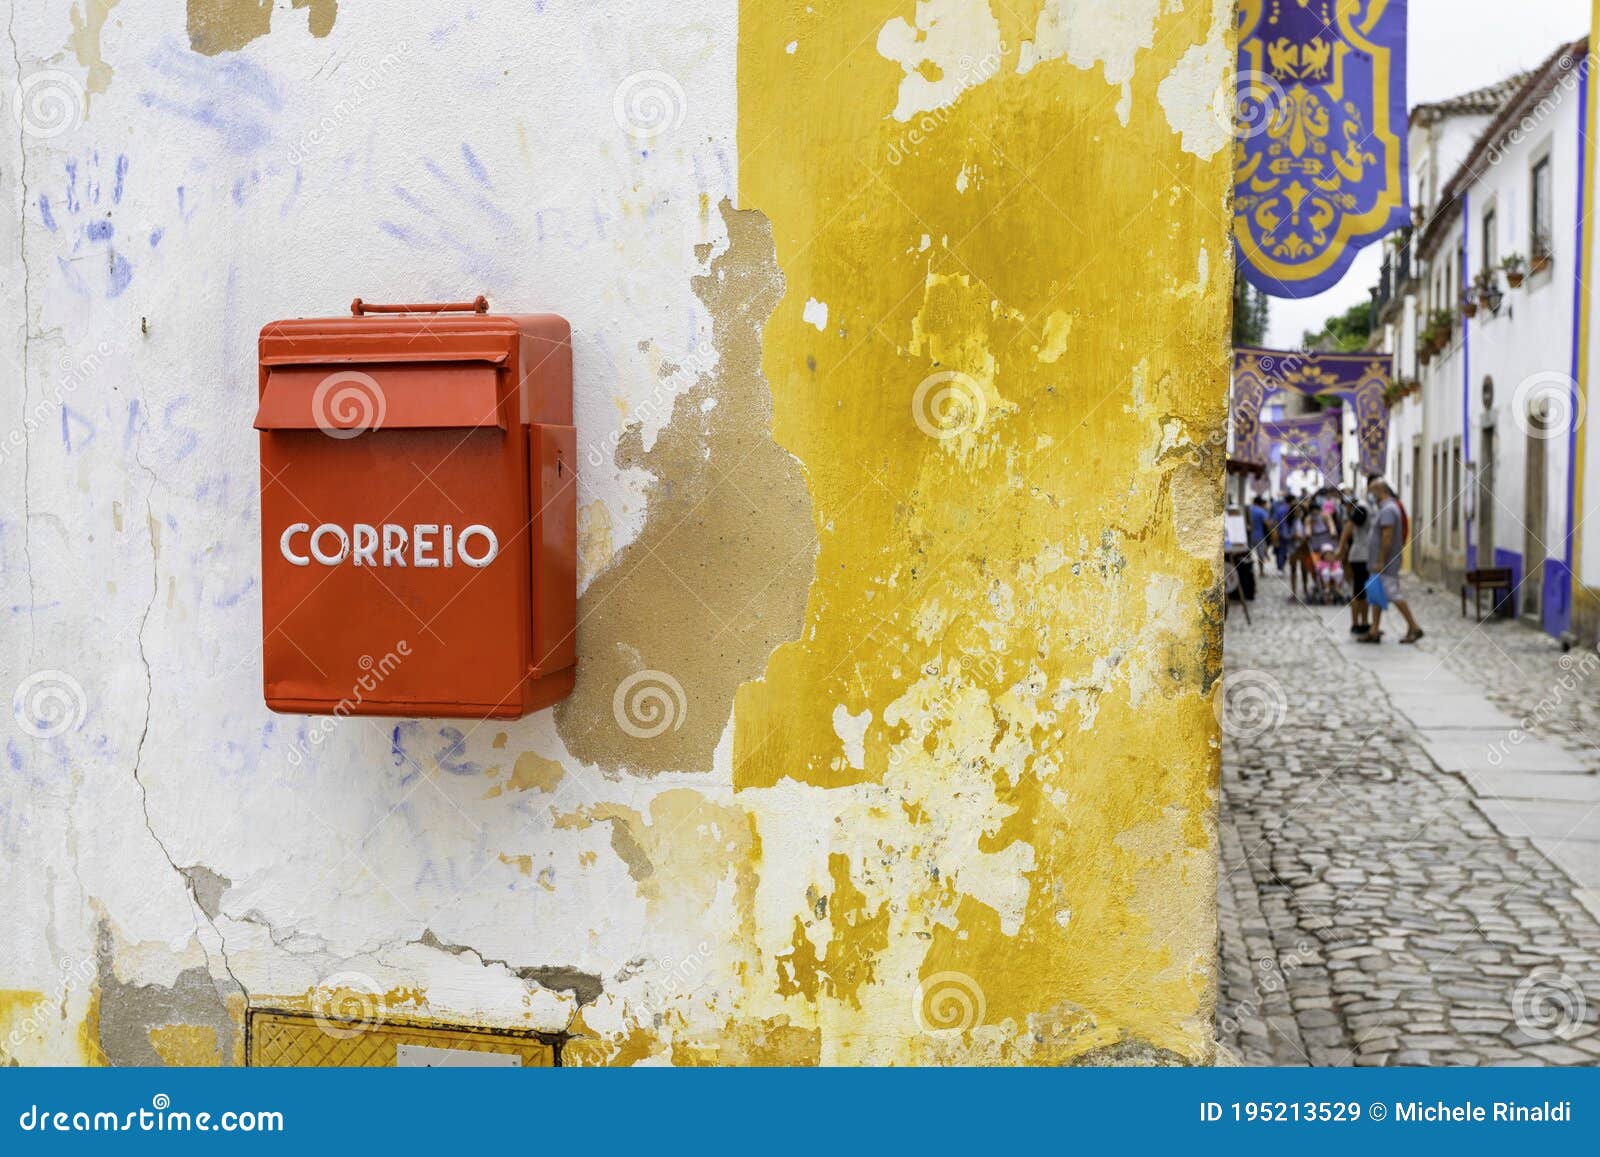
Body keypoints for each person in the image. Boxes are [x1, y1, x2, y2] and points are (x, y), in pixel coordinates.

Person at [1362, 477, 1424, 644]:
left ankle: (1414, 626)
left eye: (1371, 492)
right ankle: (1374, 629)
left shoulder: (1388, 510)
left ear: (1380, 491)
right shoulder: (1385, 508)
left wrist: (1381, 560)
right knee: (1376, 593)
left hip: (1385, 562)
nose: (1370, 496)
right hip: (1380, 562)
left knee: (1392, 593)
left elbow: (1387, 537)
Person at [1338, 488, 1373, 635]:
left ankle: (1361, 622)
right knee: (1360, 591)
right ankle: (1358, 623)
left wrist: (1340, 548)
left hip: (1361, 555)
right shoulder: (1364, 507)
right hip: (1361, 556)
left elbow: (1348, 527)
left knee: (1360, 591)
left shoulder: (1360, 509)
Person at [1270, 493, 1291, 572]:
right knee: (1283, 551)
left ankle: (1280, 567)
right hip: (1285, 534)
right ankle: (1281, 567)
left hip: (1279, 533)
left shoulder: (1279, 509)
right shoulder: (1289, 509)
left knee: (1279, 551)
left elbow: (1273, 521)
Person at [1248, 496, 1270, 569]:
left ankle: (1249, 569)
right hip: (1259, 535)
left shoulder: (1249, 510)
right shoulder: (1261, 511)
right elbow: (1267, 523)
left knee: (1248, 554)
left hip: (1249, 535)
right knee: (1260, 554)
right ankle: (1261, 571)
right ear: (1261, 503)